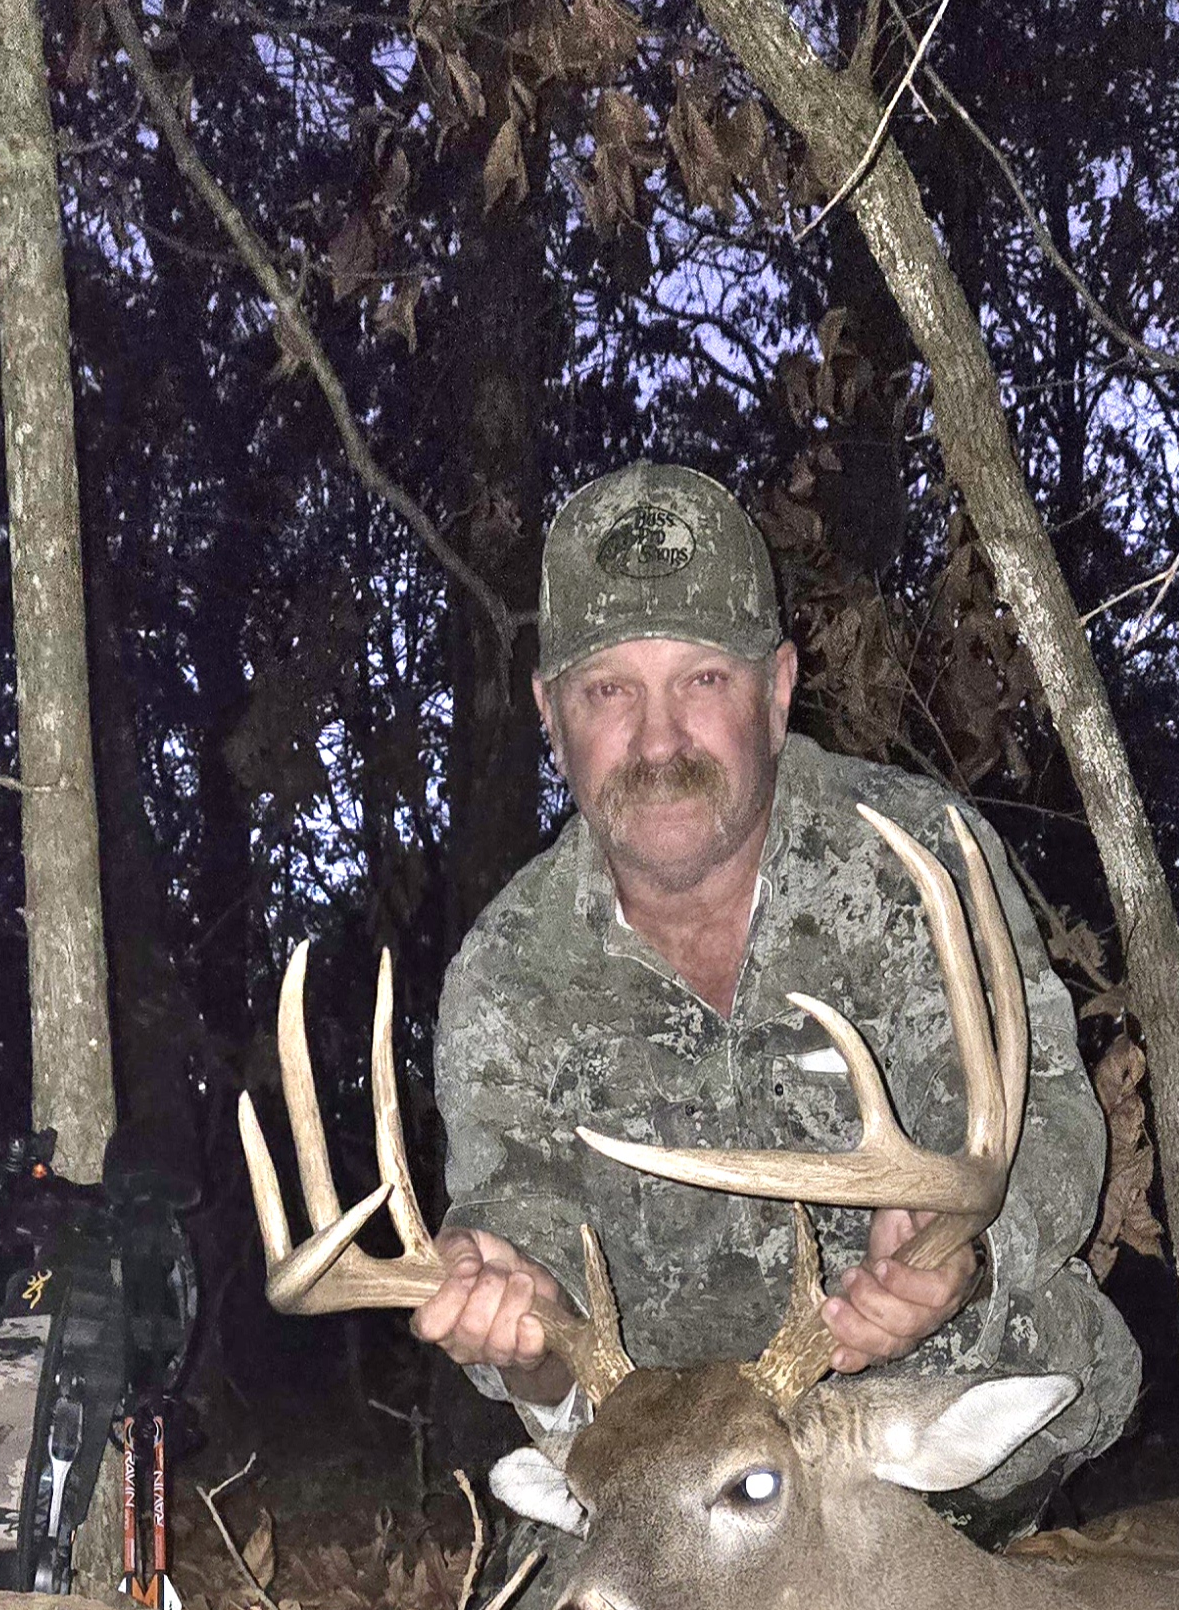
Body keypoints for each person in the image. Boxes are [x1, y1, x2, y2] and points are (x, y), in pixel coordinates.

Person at [419, 462, 1139, 1535]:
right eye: (608, 691)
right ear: (548, 714)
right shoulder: (505, 973)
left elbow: (1053, 1130)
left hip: (913, 1429)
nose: (657, 742)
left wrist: (959, 1258)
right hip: (687, 1471)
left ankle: (986, 1575)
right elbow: (516, 1230)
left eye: (702, 679)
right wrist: (509, 1312)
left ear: (778, 685)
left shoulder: (916, 866)